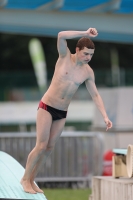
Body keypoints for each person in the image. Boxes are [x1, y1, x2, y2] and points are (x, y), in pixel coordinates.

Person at [21, 28, 112, 194]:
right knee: (41, 145)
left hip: (61, 113)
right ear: (77, 50)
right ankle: (25, 179)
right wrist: (85, 32)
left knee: (49, 148)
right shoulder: (64, 57)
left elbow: (95, 95)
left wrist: (105, 116)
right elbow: (61, 35)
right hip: (47, 107)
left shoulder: (87, 72)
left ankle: (32, 180)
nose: (88, 58)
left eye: (91, 55)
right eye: (85, 54)